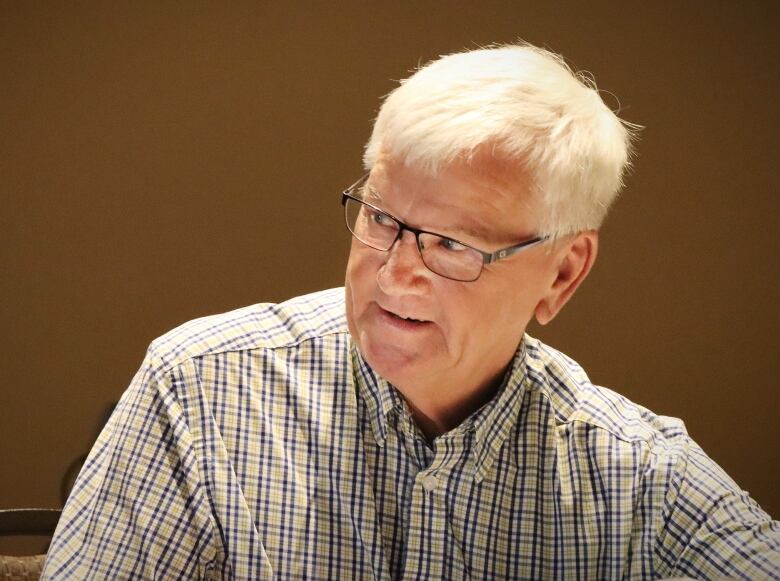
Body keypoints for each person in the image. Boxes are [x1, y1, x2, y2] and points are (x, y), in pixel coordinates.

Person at [43, 43, 779, 580]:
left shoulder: (640, 479)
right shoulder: (199, 389)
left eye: (453, 245)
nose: (396, 273)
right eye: (382, 219)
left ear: (562, 272)